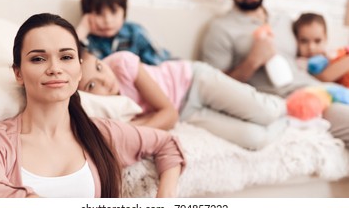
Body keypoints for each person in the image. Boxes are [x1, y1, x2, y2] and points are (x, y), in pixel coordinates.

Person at [0, 13, 185, 198]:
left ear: (79, 70)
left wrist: (163, 202)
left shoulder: (103, 133)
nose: (54, 68)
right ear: (18, 73)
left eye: (66, 57)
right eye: (38, 59)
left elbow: (168, 144)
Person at [201, 0, 349, 148]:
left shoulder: (285, 21)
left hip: (321, 89)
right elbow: (214, 88)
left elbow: (311, 58)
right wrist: (252, 62)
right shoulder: (221, 29)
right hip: (294, 102)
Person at [78, 50, 287, 150]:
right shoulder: (99, 109)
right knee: (255, 138)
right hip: (187, 112)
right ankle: (288, 122)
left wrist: (131, 130)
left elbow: (168, 113)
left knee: (267, 111)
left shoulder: (121, 64)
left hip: (192, 80)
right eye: (92, 85)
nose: (105, 79)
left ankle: (287, 104)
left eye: (98, 66)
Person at [76, 0, 171, 65]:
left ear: (124, 10)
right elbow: (73, 67)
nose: (107, 20)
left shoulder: (134, 32)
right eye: (99, 13)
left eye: (114, 12)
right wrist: (81, 31)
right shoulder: (85, 41)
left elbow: (160, 62)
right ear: (86, 15)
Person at [293, 12, 349, 86]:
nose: (311, 47)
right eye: (304, 41)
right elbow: (324, 77)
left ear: (325, 39)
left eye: (317, 41)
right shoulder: (303, 64)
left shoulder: (331, 54)